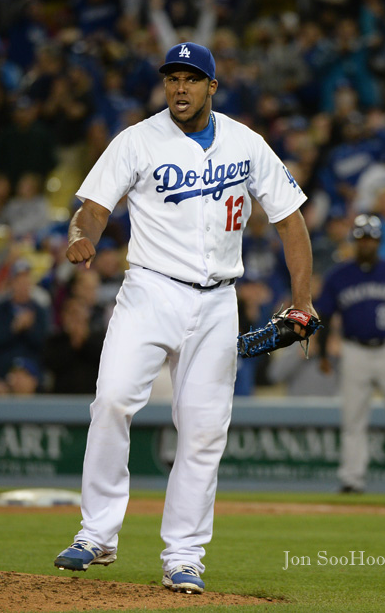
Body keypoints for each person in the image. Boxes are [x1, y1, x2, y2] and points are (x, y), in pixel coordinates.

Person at [53, 42, 314, 596]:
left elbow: (291, 221)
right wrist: (83, 238)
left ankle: (184, 557)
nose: (180, 87)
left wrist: (303, 299)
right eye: (173, 77)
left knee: (202, 432)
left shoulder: (247, 143)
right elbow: (95, 207)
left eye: (191, 79)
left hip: (220, 299)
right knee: (113, 400)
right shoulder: (138, 139)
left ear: (211, 86)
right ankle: (97, 532)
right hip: (149, 290)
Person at [314, 215, 385, 495]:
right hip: (354, 350)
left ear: (379, 241)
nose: (366, 243)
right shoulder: (339, 276)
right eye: (361, 238)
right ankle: (352, 478)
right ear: (354, 241)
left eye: (371, 238)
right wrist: (322, 354)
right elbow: (325, 316)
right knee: (353, 417)